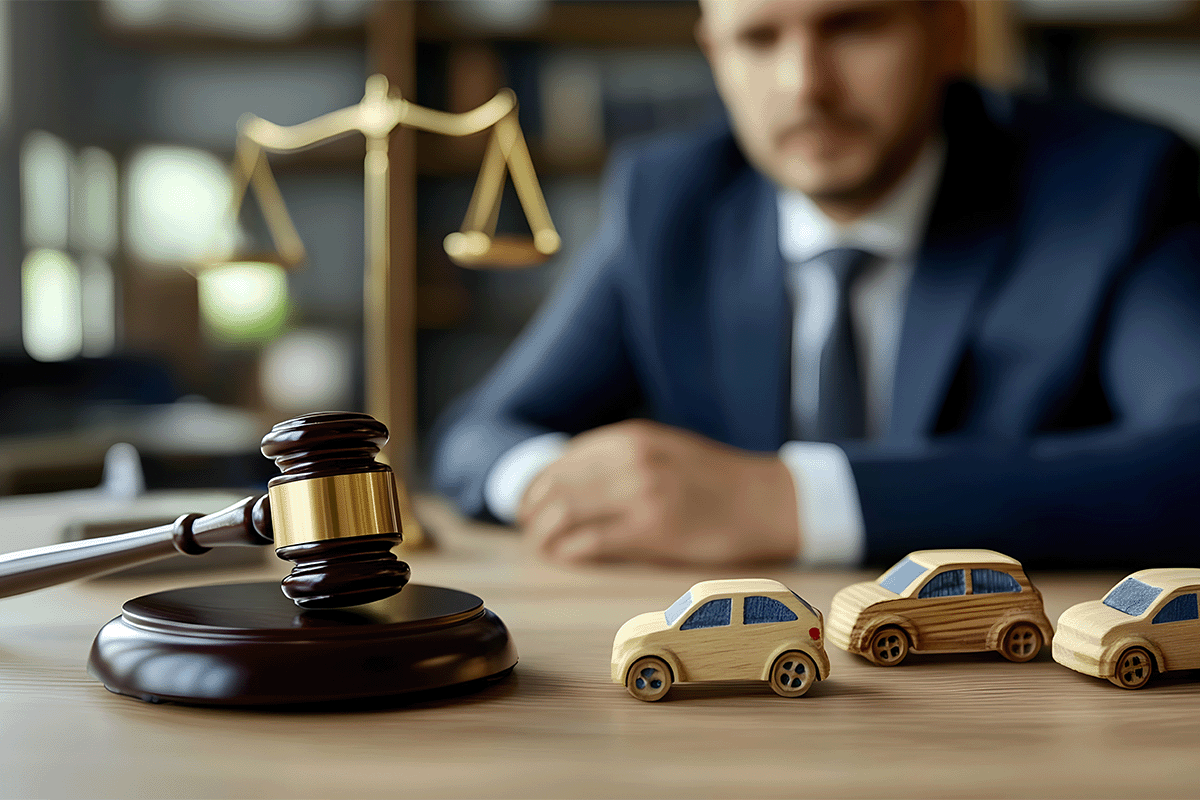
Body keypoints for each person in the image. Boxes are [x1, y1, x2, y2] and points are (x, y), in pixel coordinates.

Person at [431, 0, 1200, 569]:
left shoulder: (1118, 187)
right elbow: (478, 436)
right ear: (714, 54)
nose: (806, 86)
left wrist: (785, 501)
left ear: (951, 28)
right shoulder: (669, 201)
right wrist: (563, 486)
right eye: (759, 39)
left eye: (853, 26)